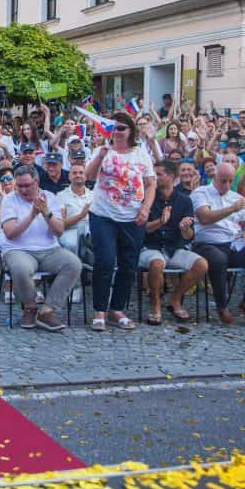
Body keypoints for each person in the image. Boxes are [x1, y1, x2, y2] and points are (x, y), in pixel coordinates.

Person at [84, 112, 155, 332]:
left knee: (128, 265)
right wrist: (100, 155)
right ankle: (99, 310)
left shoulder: (141, 154)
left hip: (132, 217)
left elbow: (150, 183)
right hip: (103, 215)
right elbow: (89, 176)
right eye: (113, 128)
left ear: (131, 130)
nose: (117, 132)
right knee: (105, 261)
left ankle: (117, 309)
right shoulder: (102, 150)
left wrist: (146, 208)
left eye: (122, 128)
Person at [0, 165, 83, 332]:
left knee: (74, 264)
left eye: (27, 185)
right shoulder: (9, 199)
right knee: (20, 268)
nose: (23, 190)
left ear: (36, 182)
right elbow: (10, 233)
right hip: (18, 249)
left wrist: (46, 213)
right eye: (19, 186)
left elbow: (59, 231)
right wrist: (31, 215)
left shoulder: (50, 197)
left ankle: (48, 310)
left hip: (49, 249)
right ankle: (30, 307)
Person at [190, 161, 245, 324]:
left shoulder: (236, 197)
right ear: (215, 177)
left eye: (230, 181)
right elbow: (205, 218)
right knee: (219, 259)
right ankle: (222, 306)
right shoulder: (201, 193)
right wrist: (232, 209)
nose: (227, 185)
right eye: (223, 181)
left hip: (231, 243)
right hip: (207, 242)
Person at [140, 160, 207, 324]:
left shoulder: (184, 200)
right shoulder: (147, 199)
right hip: (151, 247)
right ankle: (155, 304)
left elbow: (188, 236)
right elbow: (143, 229)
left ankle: (175, 299)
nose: (154, 178)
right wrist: (160, 222)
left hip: (174, 248)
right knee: (156, 263)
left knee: (201, 264)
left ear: (170, 176)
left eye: (158, 174)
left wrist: (185, 228)